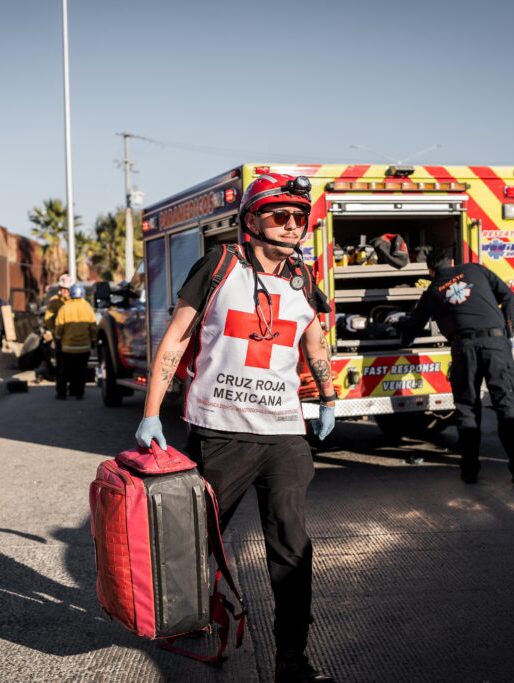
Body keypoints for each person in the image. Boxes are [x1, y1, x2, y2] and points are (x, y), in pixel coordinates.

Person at [135, 174, 337, 683]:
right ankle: (186, 616)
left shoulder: (302, 279)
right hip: (220, 432)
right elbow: (177, 339)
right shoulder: (219, 266)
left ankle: (292, 661)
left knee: (293, 550)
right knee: (199, 540)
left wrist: (329, 398)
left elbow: (314, 345)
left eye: (299, 217)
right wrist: (151, 411)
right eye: (280, 216)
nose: (293, 226)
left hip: (286, 436)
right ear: (252, 220)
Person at [400, 248, 514, 487]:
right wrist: (508, 332)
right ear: (451, 261)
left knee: (468, 409)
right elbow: (509, 296)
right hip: (497, 345)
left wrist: (399, 340)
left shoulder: (432, 291)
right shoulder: (475, 269)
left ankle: (470, 471)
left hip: (464, 349)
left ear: (430, 271)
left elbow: (412, 327)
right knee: (507, 407)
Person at [53, 283, 97, 400]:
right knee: (81, 371)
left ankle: (62, 393)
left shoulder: (64, 308)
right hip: (84, 347)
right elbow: (93, 327)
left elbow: (59, 328)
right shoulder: (88, 308)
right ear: (82, 294)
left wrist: (58, 340)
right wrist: (93, 340)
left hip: (68, 348)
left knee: (64, 371)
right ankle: (79, 393)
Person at [44, 274, 73, 381]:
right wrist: (53, 332)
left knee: (73, 365)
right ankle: (62, 389)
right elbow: (48, 319)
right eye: (62, 288)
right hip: (59, 338)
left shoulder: (75, 301)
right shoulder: (54, 301)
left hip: (73, 338)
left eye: (67, 288)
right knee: (61, 364)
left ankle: (74, 388)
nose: (65, 291)